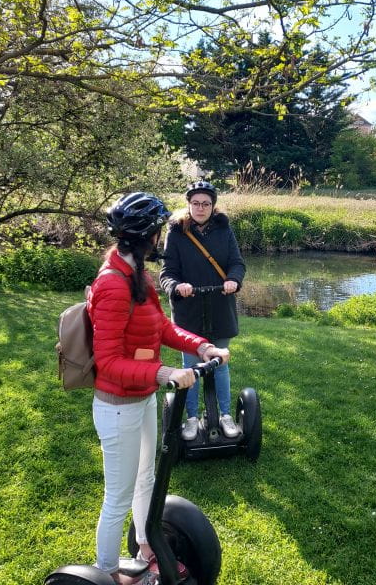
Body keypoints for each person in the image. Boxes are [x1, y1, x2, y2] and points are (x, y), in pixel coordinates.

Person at [89, 191, 229, 585]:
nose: (160, 238)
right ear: (149, 235)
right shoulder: (113, 285)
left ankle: (147, 548)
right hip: (117, 405)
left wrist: (199, 344)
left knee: (147, 479)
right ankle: (105, 572)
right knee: (117, 495)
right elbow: (108, 362)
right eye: (157, 232)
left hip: (141, 400)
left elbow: (162, 327)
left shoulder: (137, 273)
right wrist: (161, 374)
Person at [159, 181, 246, 442]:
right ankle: (192, 418)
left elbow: (237, 263)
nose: (200, 208)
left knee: (219, 365)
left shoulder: (223, 228)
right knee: (191, 366)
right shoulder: (176, 232)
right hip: (189, 310)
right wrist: (176, 286)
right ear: (188, 205)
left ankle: (225, 415)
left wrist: (233, 280)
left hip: (220, 306)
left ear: (213, 205)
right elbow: (167, 273)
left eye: (205, 203)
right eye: (195, 203)